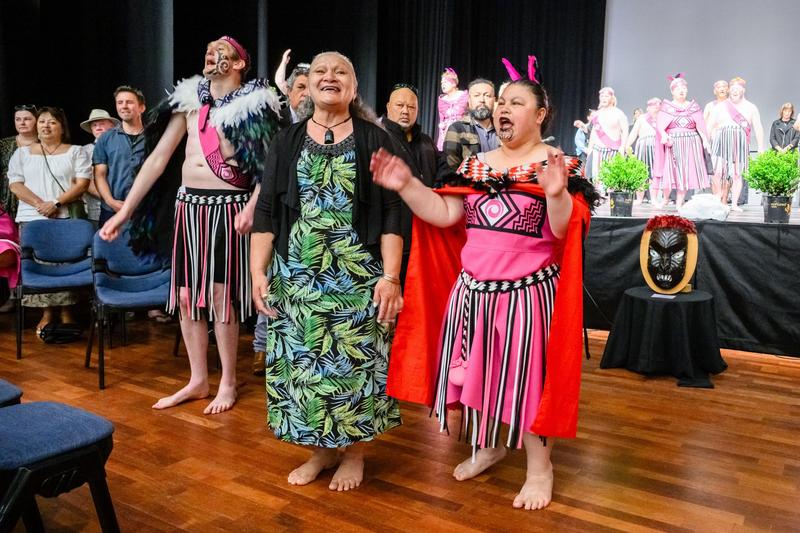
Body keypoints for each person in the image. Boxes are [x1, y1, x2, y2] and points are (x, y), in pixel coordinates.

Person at [372, 64, 599, 510]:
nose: (503, 109)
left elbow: (562, 232)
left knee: (529, 383)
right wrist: (407, 185)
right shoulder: (475, 166)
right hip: (472, 294)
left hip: (528, 296)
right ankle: (489, 445)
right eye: (501, 102)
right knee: (478, 375)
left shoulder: (558, 166)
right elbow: (444, 214)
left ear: (540, 114)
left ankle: (540, 469)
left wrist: (556, 193)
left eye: (516, 102)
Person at [100, 36, 280, 415]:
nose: (212, 55)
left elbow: (268, 167)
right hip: (188, 208)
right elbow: (158, 159)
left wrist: (252, 206)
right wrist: (125, 210)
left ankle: (227, 380)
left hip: (227, 210)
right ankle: (198, 379)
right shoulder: (190, 102)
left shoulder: (254, 106)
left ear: (238, 63)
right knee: (185, 296)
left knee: (220, 297)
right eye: (209, 51)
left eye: (221, 52)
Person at [250, 51, 403, 492]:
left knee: (355, 365)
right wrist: (258, 272)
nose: (329, 77)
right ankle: (321, 451)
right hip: (298, 276)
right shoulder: (287, 140)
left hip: (358, 275)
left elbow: (393, 212)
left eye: (340, 72)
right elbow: (266, 209)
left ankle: (353, 453)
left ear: (354, 88)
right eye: (320, 70)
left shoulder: (376, 139)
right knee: (306, 367)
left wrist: (391, 277)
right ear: (308, 85)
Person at [7, 107, 91, 334]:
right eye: (42, 121)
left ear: (62, 127)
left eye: (52, 122)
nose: (46, 126)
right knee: (40, 264)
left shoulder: (76, 151)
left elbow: (82, 183)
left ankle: (66, 312)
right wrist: (40, 204)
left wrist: (55, 203)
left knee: (65, 264)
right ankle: (46, 312)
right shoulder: (22, 154)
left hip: (65, 216)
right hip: (32, 217)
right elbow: (15, 184)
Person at [252, 61, 310, 376]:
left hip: (309, 221)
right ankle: (262, 347)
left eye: (309, 88)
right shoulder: (278, 123)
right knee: (270, 281)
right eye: (300, 87)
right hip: (277, 216)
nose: (306, 94)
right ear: (288, 92)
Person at [380, 82, 439, 283]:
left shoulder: (427, 141)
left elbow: (443, 172)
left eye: (411, 107)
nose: (405, 111)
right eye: (400, 105)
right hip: (391, 239)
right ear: (388, 107)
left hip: (425, 239)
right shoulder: (378, 137)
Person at [92, 86, 147, 226]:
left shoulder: (154, 137)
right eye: (120, 102)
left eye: (129, 102)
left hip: (145, 210)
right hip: (111, 210)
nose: (124, 106)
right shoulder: (105, 138)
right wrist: (110, 201)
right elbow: (99, 174)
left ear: (141, 108)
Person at [654, 74, 711, 209]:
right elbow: (660, 126)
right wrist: (664, 135)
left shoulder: (693, 107)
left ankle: (679, 203)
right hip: (673, 143)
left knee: (685, 174)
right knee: (670, 172)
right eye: (678, 89)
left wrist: (705, 139)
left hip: (691, 144)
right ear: (672, 91)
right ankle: (665, 199)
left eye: (684, 88)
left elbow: (700, 126)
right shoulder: (667, 107)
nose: (682, 91)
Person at [707, 77, 763, 210]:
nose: (734, 91)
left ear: (743, 90)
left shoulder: (751, 107)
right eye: (732, 89)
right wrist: (706, 142)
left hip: (740, 141)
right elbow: (709, 126)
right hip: (721, 140)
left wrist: (760, 147)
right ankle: (718, 196)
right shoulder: (720, 106)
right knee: (716, 171)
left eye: (737, 89)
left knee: (737, 174)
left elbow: (758, 127)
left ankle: (733, 204)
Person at [442, 78, 499, 170]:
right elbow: (449, 169)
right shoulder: (457, 129)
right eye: (477, 95)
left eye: (487, 95)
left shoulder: (503, 128)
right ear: (469, 100)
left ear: (494, 100)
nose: (482, 100)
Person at [79, 109, 119, 226]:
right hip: (96, 211)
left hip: (126, 206)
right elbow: (86, 182)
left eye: (102, 124)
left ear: (112, 125)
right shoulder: (84, 151)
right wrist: (111, 200)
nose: (98, 128)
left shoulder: (122, 146)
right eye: (94, 125)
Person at [0, 105, 39, 221]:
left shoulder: (45, 143)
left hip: (35, 198)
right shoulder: (3, 144)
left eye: (27, 119)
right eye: (18, 119)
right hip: (5, 199)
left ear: (37, 120)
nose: (22, 123)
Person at [585, 87, 628, 184]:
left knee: (610, 181)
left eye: (606, 96)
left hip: (612, 151)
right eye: (602, 96)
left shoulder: (619, 114)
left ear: (612, 98)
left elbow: (625, 131)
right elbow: (594, 132)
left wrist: (623, 147)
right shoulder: (597, 114)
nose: (604, 98)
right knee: (595, 180)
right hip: (597, 150)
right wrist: (590, 149)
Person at [625, 98, 661, 206]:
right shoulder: (642, 118)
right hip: (643, 147)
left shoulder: (662, 118)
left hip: (657, 147)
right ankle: (639, 199)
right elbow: (634, 133)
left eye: (658, 105)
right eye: (654, 105)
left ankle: (654, 199)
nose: (656, 107)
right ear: (648, 107)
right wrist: (627, 145)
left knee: (654, 174)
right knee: (640, 173)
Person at [436, 68, 469, 151]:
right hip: (446, 134)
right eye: (442, 83)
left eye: (445, 82)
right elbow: (441, 120)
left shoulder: (464, 96)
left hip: (462, 132)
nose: (443, 85)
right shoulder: (442, 100)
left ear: (453, 83)